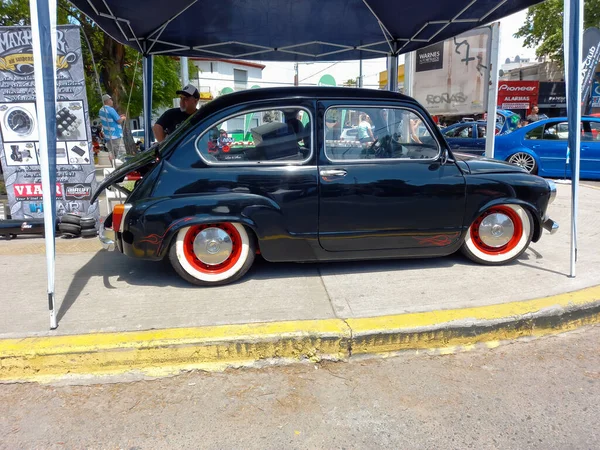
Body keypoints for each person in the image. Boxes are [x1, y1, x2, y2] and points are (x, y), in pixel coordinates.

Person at [99, 94, 126, 160]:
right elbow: (119, 121)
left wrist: (119, 117)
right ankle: (122, 169)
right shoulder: (110, 109)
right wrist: (123, 118)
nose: (112, 101)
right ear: (107, 101)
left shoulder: (101, 110)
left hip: (108, 136)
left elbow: (110, 120)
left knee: (112, 155)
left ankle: (114, 168)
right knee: (121, 154)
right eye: (111, 99)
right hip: (116, 135)